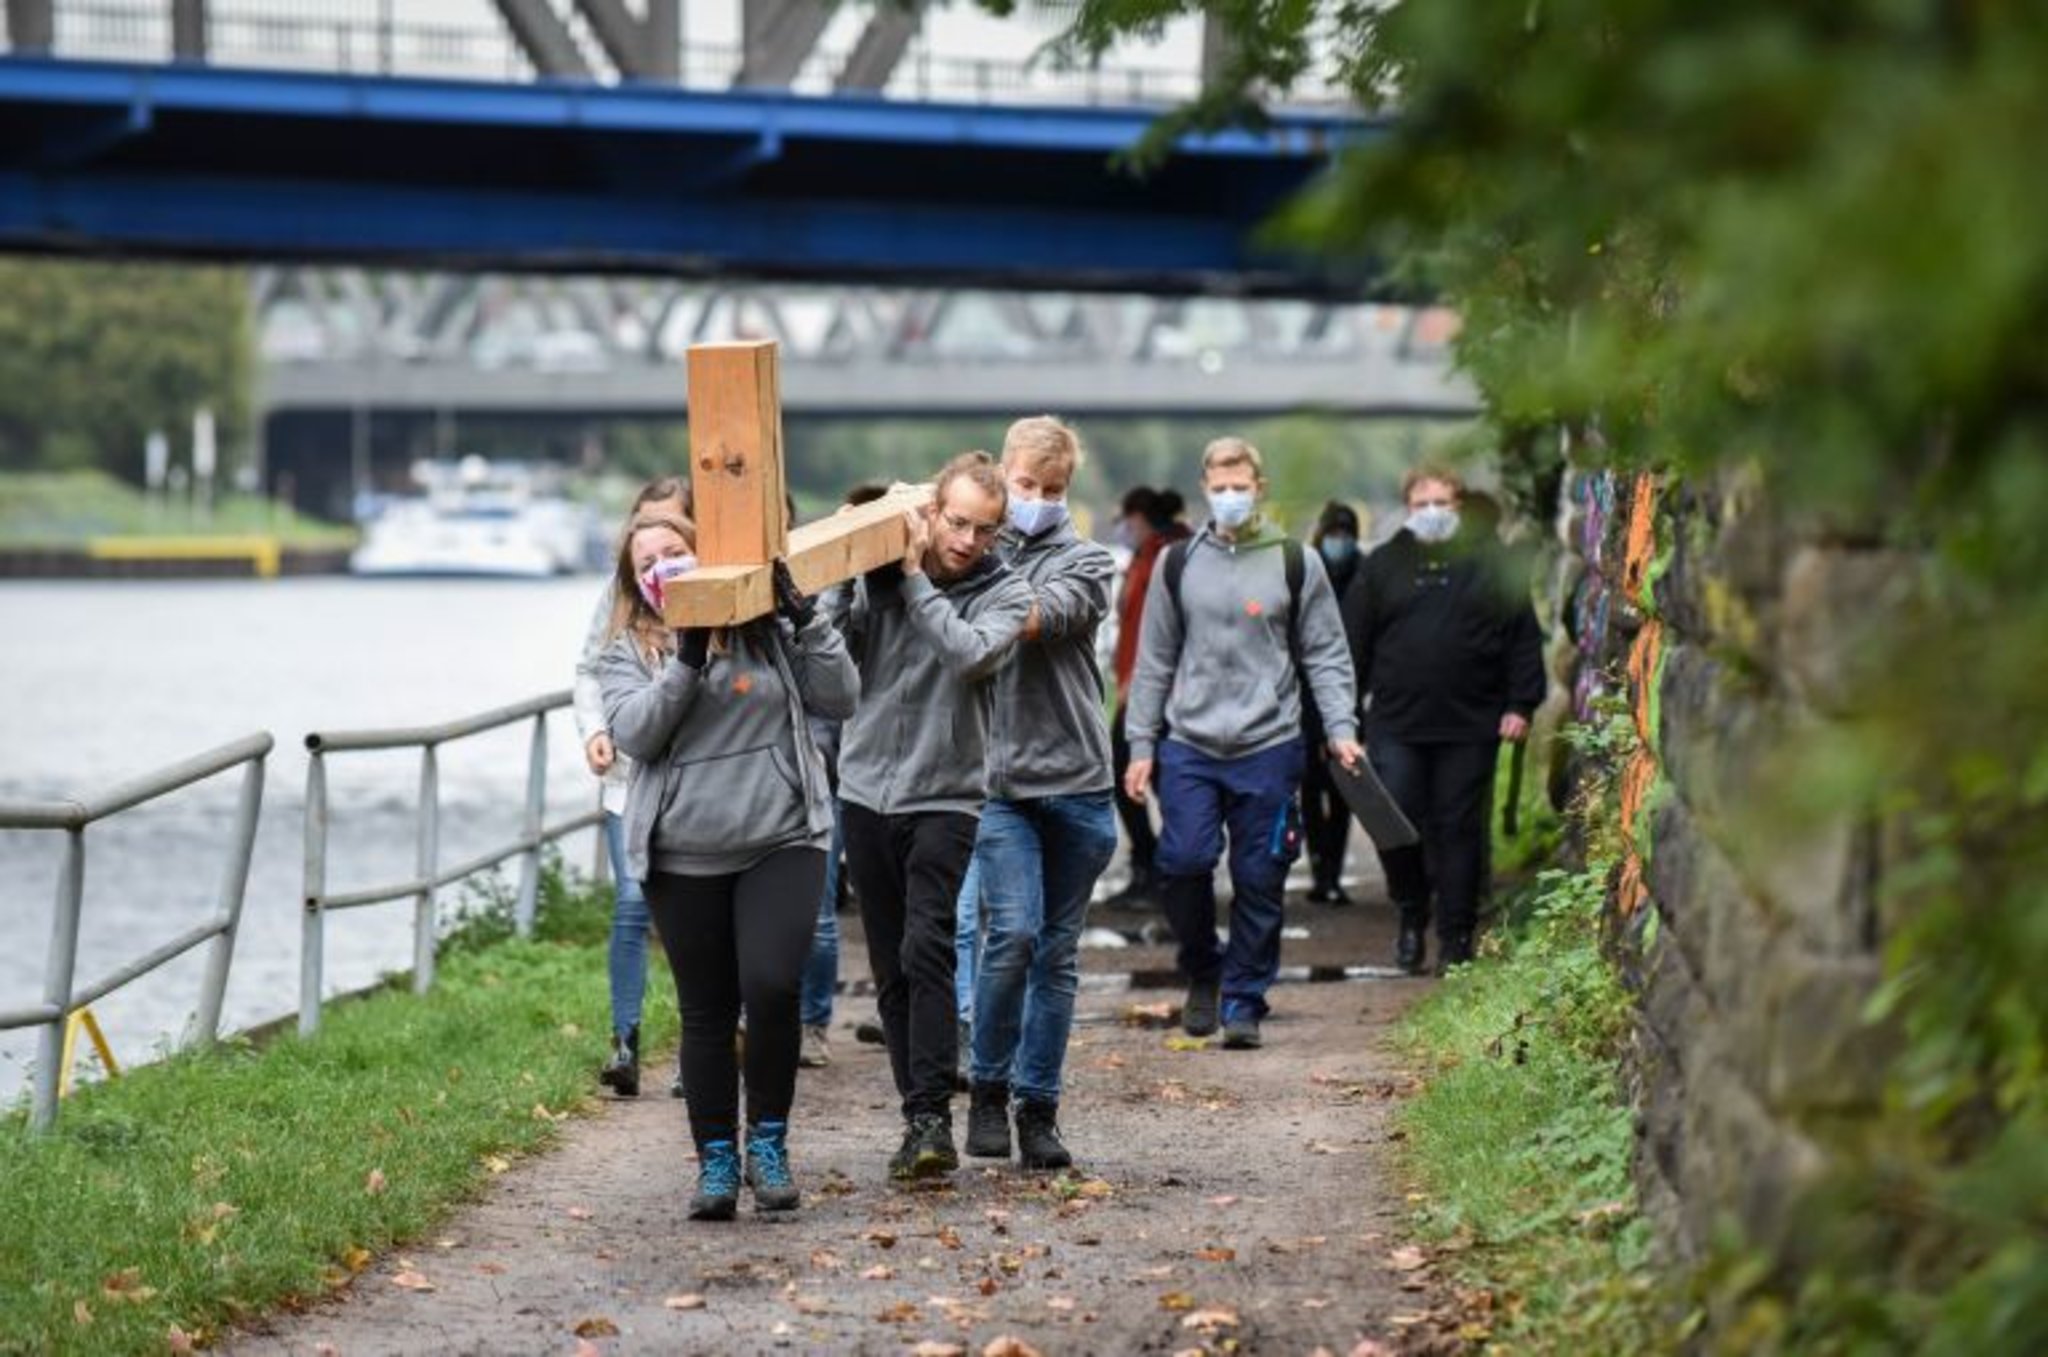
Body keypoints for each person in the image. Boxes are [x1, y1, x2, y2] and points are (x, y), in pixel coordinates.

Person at [598, 511, 859, 1220]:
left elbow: (841, 696)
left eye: (676, 551)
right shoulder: (627, 652)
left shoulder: (763, 628)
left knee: (772, 987)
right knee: (707, 1010)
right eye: (648, 561)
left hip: (783, 836)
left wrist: (807, 620)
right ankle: (716, 1159)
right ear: (635, 582)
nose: (665, 566)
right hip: (684, 854)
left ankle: (767, 1143)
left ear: (704, 554)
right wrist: (686, 657)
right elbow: (637, 735)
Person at [1123, 438, 1362, 1051]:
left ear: (1260, 488)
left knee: (1260, 877)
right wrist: (1141, 743)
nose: (1230, 496)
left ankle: (1244, 998)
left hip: (1270, 744)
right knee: (1183, 861)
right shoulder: (1178, 563)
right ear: (1205, 489)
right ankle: (1204, 969)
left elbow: (1327, 653)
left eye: (1240, 486)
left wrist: (1341, 729)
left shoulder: (1295, 562)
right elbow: (1154, 660)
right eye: (1220, 487)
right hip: (1190, 744)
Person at [838, 452, 1033, 1182]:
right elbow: (834, 661)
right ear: (933, 512)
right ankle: (915, 1113)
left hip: (945, 795)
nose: (966, 540)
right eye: (955, 523)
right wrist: (855, 569)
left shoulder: (1005, 590)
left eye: (983, 529)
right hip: (865, 788)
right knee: (890, 963)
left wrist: (915, 579)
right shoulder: (883, 577)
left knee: (928, 946)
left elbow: (967, 655)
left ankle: (931, 1119)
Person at [963, 417, 1120, 1170]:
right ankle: (986, 1088)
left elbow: (1031, 619)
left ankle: (1039, 1107)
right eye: (1025, 484)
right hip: (998, 785)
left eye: (1052, 489)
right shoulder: (970, 545)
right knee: (1012, 935)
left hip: (1078, 784)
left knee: (1056, 953)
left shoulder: (1087, 561)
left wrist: (962, 564)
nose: (1038, 500)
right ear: (1002, 474)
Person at [1341, 466, 1545, 974]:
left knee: (1458, 830)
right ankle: (1411, 910)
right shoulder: (1382, 566)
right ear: (1407, 508)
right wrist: (1345, 720)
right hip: (1396, 722)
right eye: (1422, 504)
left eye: (1443, 503)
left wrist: (1520, 704)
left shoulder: (1491, 566)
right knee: (1396, 822)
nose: (1432, 513)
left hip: (1470, 722)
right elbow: (1353, 644)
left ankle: (1456, 935)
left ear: (1459, 507)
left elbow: (1522, 636)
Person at [572, 476, 687, 1098]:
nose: (654, 548)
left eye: (668, 528)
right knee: (632, 903)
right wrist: (595, 730)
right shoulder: (617, 598)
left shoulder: (710, 597)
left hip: (696, 786)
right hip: (629, 782)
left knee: (694, 916)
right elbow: (588, 670)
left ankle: (701, 1048)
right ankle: (625, 1041)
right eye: (641, 526)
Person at [798, 482, 890, 1070]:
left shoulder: (913, 588)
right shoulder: (828, 590)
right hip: (817, 762)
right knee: (810, 908)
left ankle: (814, 1022)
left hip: (859, 770)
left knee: (826, 912)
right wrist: (840, 571)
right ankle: (784, 1019)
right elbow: (821, 649)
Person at [1104, 487, 1190, 906]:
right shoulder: (1153, 553)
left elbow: (1148, 626)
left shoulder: (1163, 556)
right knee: (1146, 777)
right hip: (1143, 684)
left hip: (1155, 687)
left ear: (1138, 517)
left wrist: (1133, 679)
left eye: (1127, 521)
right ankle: (1160, 867)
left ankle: (1161, 868)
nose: (1124, 529)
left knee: (1143, 776)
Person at [1301, 500, 1367, 906]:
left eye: (1346, 534)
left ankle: (1333, 873)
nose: (1339, 541)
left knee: (1343, 791)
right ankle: (1319, 868)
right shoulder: (1307, 573)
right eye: (1334, 534)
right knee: (1310, 790)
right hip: (1306, 701)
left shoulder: (1365, 576)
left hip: (1351, 698)